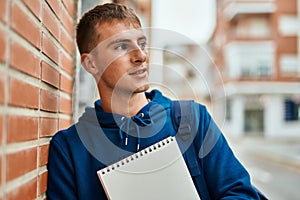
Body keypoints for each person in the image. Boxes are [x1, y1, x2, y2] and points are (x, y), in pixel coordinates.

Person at [47, 3, 266, 200]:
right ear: (91, 64)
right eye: (121, 47)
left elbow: (241, 194)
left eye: (141, 43)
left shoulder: (192, 119)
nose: (141, 56)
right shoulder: (69, 147)